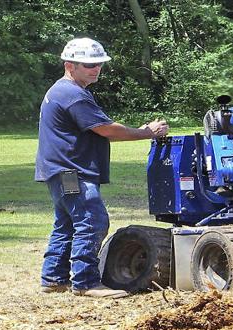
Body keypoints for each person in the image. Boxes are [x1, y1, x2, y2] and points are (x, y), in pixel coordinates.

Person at [35, 37, 168, 299]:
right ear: (69, 65)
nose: (95, 69)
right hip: (71, 171)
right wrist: (147, 132)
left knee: (66, 224)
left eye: (98, 64)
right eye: (88, 64)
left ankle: (53, 278)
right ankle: (86, 283)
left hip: (62, 171)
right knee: (92, 221)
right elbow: (107, 130)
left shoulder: (64, 90)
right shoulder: (72, 95)